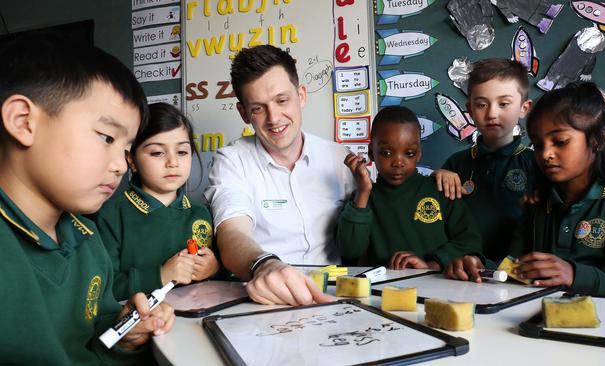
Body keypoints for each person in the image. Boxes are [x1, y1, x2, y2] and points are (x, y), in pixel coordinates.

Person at [0, 31, 174, 363]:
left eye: (126, 150)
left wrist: (124, 337)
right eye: (107, 137)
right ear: (23, 121)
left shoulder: (86, 239)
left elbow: (92, 338)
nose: (120, 165)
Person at [445, 82, 605, 296]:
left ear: (599, 138)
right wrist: (479, 265)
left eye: (560, 141)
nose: (545, 154)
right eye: (538, 144)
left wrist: (574, 275)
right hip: (537, 322)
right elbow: (516, 269)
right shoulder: (538, 206)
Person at [203, 45, 355, 305]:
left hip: (336, 297)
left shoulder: (339, 158)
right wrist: (264, 266)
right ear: (243, 113)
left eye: (282, 101)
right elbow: (231, 234)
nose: (274, 118)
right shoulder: (231, 162)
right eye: (258, 109)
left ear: (301, 96)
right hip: (266, 302)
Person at [95, 103, 219, 301]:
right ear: (131, 160)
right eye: (157, 153)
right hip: (142, 324)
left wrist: (213, 268)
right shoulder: (110, 215)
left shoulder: (201, 213)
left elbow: (223, 279)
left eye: (182, 152)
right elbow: (100, 290)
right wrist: (160, 275)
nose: (173, 162)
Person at [337, 106, 482, 270]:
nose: (398, 162)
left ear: (419, 153)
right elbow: (349, 251)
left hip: (439, 289)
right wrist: (363, 191)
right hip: (384, 292)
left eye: (409, 153)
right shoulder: (362, 199)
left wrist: (430, 265)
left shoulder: (441, 190)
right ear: (371, 153)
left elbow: (470, 242)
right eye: (386, 152)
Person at [433, 58, 536, 263]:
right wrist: (436, 177)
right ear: (469, 109)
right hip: (461, 272)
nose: (491, 113)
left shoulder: (535, 164)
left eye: (504, 104)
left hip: (517, 274)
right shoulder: (456, 164)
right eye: (481, 104)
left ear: (524, 108)